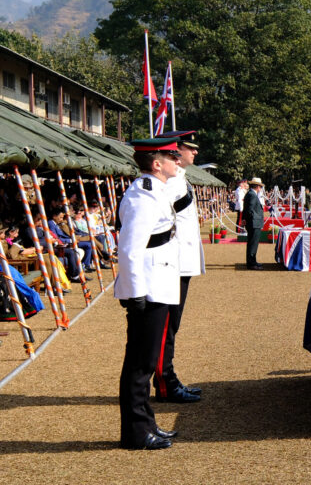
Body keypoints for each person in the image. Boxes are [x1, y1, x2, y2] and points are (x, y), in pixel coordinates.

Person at [115, 137, 182, 450]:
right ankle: (136, 432)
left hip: (159, 283)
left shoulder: (155, 189)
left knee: (146, 360)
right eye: (171, 156)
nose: (177, 160)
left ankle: (147, 423)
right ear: (156, 164)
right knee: (140, 364)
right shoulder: (143, 196)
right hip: (148, 289)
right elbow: (129, 249)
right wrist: (136, 293)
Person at [153, 130, 205, 404]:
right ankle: (164, 381)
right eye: (189, 148)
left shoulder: (180, 180)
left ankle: (168, 375)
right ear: (175, 150)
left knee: (172, 324)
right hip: (172, 263)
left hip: (181, 263)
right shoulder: (171, 183)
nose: (194, 153)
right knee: (166, 326)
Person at [243, 177, 265, 269]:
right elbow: (250, 209)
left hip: (253, 222)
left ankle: (253, 261)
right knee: (253, 243)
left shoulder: (251, 194)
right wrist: (253, 219)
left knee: (253, 243)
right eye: (260, 186)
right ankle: (251, 263)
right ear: (258, 187)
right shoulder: (252, 194)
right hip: (254, 223)